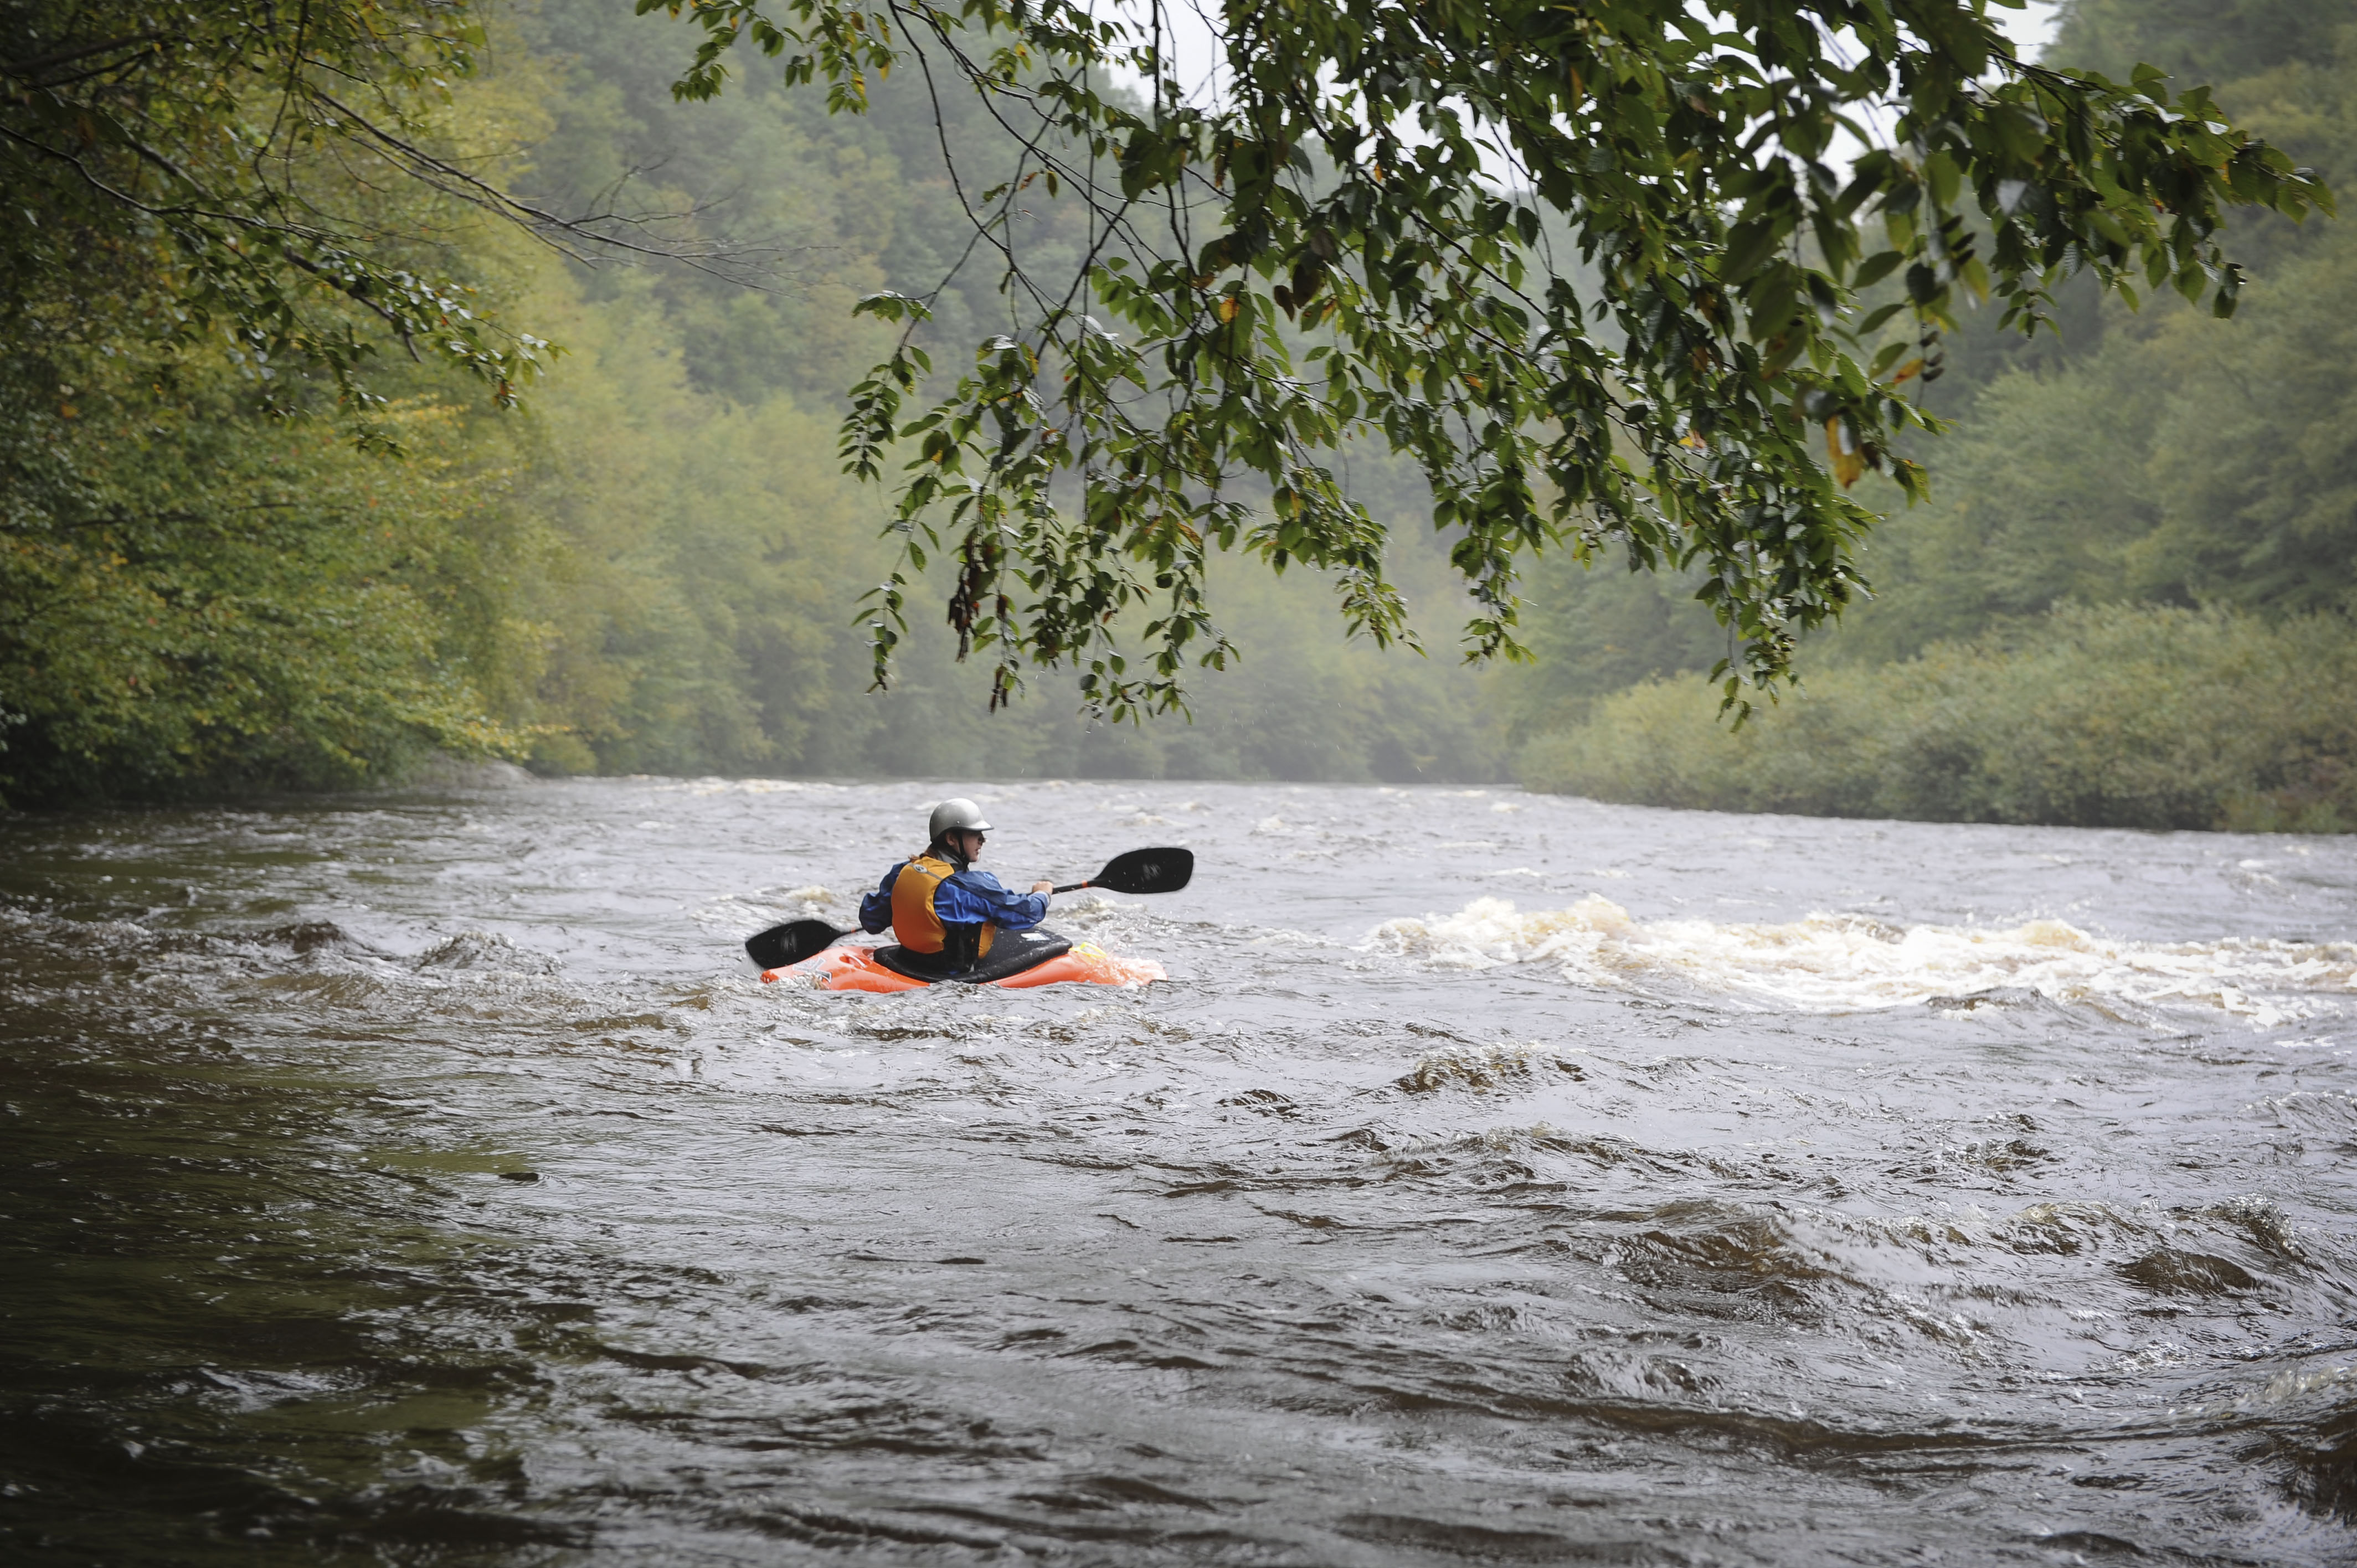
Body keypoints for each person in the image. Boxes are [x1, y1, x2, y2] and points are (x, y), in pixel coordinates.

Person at [858, 798, 1054, 976]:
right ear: (951, 839)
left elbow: (871, 921)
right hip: (946, 974)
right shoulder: (969, 887)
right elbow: (1028, 913)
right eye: (975, 834)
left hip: (909, 961)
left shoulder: (902, 871)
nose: (982, 841)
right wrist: (1043, 894)